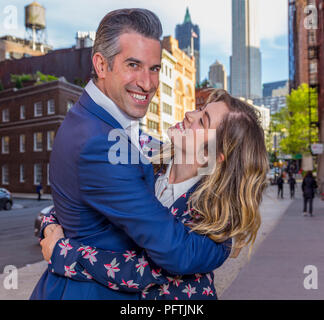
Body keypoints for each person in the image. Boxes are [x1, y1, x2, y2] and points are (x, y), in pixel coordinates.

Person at [30, 9, 234, 300]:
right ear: (101, 65)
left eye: (154, 68)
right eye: (133, 65)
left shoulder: (107, 125)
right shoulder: (99, 142)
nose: (147, 83)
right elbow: (173, 251)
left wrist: (53, 224)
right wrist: (222, 244)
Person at [38, 89, 269, 300]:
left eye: (203, 121)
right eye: (199, 109)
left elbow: (138, 272)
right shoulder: (139, 152)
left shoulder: (215, 227)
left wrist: (62, 251)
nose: (189, 114)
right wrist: (49, 224)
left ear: (219, 154)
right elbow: (79, 190)